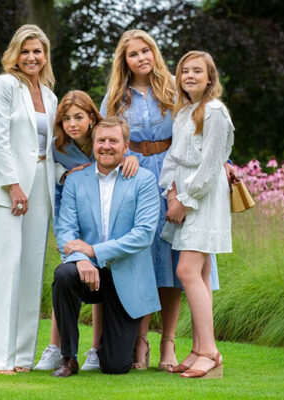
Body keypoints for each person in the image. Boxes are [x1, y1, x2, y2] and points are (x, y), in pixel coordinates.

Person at [100, 29, 224, 370]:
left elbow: (200, 132)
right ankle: (140, 343)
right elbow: (104, 136)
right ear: (123, 60)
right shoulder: (115, 96)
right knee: (142, 262)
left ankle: (168, 343)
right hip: (133, 178)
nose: (141, 57)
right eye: (133, 53)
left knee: (173, 265)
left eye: (146, 51)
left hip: (175, 180)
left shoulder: (174, 86)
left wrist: (222, 164)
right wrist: (125, 153)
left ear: (154, 53)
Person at [0, 24, 63, 374]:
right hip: (5, 187)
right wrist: (13, 185)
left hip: (40, 185)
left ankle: (23, 357)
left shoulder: (50, 94)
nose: (31, 57)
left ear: (45, 56)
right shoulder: (4, 85)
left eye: (37, 51)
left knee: (31, 271)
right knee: (6, 268)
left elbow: (49, 150)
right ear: (15, 53)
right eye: (25, 51)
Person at [35, 91, 139, 371]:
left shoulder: (104, 137)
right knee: (69, 273)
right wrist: (63, 175)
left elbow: (123, 151)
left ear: (92, 118)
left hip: (101, 214)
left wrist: (134, 160)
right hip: (70, 207)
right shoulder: (59, 146)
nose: (72, 124)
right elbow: (48, 166)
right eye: (66, 119)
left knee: (99, 273)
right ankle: (57, 347)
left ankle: (95, 348)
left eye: (78, 117)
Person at [51, 116, 161, 377]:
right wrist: (81, 258)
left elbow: (144, 234)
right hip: (88, 273)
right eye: (101, 140)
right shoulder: (76, 181)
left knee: (115, 366)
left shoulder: (143, 180)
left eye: (114, 141)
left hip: (126, 275)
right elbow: (65, 230)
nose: (106, 146)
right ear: (93, 145)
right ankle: (69, 357)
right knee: (64, 275)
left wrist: (94, 251)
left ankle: (109, 347)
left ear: (125, 147)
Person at [159, 50, 234, 379]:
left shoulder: (214, 111)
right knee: (199, 274)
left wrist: (186, 200)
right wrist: (170, 192)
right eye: (184, 71)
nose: (189, 76)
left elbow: (211, 164)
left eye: (197, 71)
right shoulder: (183, 112)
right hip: (185, 194)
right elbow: (173, 158)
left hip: (203, 198)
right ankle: (199, 348)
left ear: (209, 78)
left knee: (186, 270)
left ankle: (210, 352)